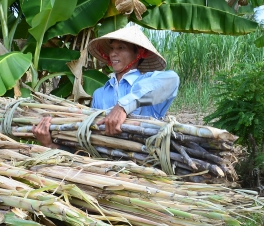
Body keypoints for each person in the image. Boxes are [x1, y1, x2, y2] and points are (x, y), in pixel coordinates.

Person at [33, 26, 180, 150]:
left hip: (144, 162)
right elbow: (90, 142)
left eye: (121, 48)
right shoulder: (100, 94)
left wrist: (123, 106)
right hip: (105, 168)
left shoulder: (149, 82)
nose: (113, 53)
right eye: (112, 48)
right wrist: (49, 144)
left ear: (139, 53)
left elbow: (173, 79)